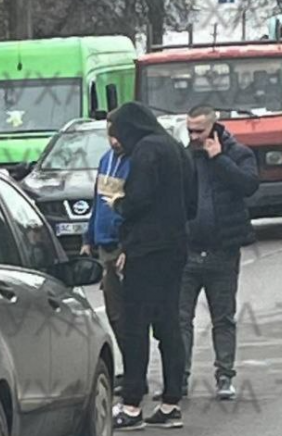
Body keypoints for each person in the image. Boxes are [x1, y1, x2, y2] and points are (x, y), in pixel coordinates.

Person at [102, 102, 197, 431]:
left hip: (146, 251)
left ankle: (130, 406)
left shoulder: (144, 152)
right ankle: (171, 403)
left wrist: (119, 203)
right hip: (176, 247)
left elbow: (138, 200)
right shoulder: (175, 148)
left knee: (135, 326)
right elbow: (192, 204)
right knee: (169, 325)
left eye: (115, 134)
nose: (114, 142)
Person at [176, 105, 259, 402]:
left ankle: (225, 375)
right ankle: (179, 378)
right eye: (190, 131)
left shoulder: (237, 153)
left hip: (222, 250)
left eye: (199, 131)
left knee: (223, 317)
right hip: (187, 252)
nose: (194, 136)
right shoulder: (184, 156)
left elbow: (249, 186)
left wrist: (219, 159)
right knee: (180, 319)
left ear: (213, 128)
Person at [81, 125, 131, 393]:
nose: (114, 141)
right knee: (114, 313)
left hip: (124, 245)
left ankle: (137, 371)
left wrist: (129, 246)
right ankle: (132, 366)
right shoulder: (105, 161)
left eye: (118, 135)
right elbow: (98, 202)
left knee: (130, 313)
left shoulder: (135, 161)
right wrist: (88, 238)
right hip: (104, 246)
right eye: (110, 136)